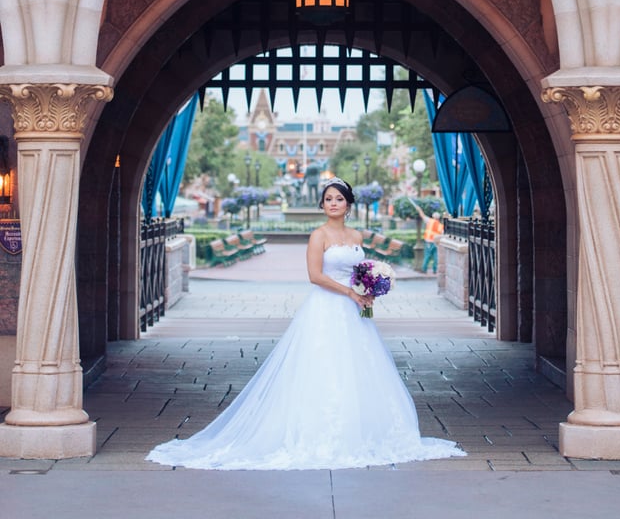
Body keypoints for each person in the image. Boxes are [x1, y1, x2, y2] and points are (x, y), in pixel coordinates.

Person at [147, 178, 465, 470]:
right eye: (328, 199)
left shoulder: (356, 236)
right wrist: (350, 294)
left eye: (339, 198)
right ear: (322, 205)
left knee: (357, 366)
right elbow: (315, 276)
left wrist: (368, 289)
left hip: (356, 312)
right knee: (322, 365)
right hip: (327, 308)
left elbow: (360, 269)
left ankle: (364, 430)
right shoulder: (318, 235)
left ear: (349, 204)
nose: (333, 203)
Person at [412, 200, 444, 274]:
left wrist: (419, 209)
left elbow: (422, 215)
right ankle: (435, 270)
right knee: (436, 257)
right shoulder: (441, 225)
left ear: (433, 216)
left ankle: (424, 269)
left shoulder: (430, 221)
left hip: (429, 242)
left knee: (427, 256)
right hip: (436, 243)